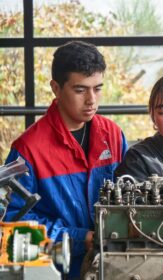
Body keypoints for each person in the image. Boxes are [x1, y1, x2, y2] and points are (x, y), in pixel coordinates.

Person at [4, 41, 128, 278]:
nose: (91, 100)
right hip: (57, 272)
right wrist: (80, 238)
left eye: (97, 88)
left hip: (114, 268)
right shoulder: (27, 149)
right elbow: (12, 224)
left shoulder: (113, 135)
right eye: (80, 90)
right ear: (56, 88)